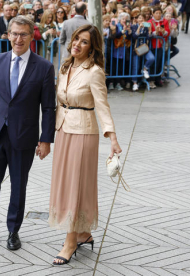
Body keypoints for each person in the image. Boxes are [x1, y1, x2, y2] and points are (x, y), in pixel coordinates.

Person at [0, 15, 55, 251]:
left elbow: (48, 107)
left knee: (18, 186)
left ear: (32, 36)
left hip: (24, 137)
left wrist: (45, 139)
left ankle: (13, 230)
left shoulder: (44, 67)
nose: (18, 38)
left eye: (23, 34)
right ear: (8, 35)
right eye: (14, 33)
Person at [49, 24, 121, 265]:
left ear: (92, 48)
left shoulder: (95, 72)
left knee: (75, 185)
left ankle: (70, 242)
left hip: (83, 133)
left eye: (84, 42)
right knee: (66, 182)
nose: (77, 44)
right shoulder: (65, 66)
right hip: (63, 130)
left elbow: (102, 105)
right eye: (76, 39)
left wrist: (112, 137)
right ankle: (82, 232)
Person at [131, 13, 154, 91]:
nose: (141, 20)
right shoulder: (133, 26)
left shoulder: (146, 27)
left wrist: (150, 30)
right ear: (137, 19)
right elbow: (134, 36)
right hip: (136, 49)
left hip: (144, 48)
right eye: (139, 18)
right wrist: (139, 28)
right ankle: (135, 83)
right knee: (135, 66)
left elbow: (149, 37)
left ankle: (144, 69)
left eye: (142, 18)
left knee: (151, 58)